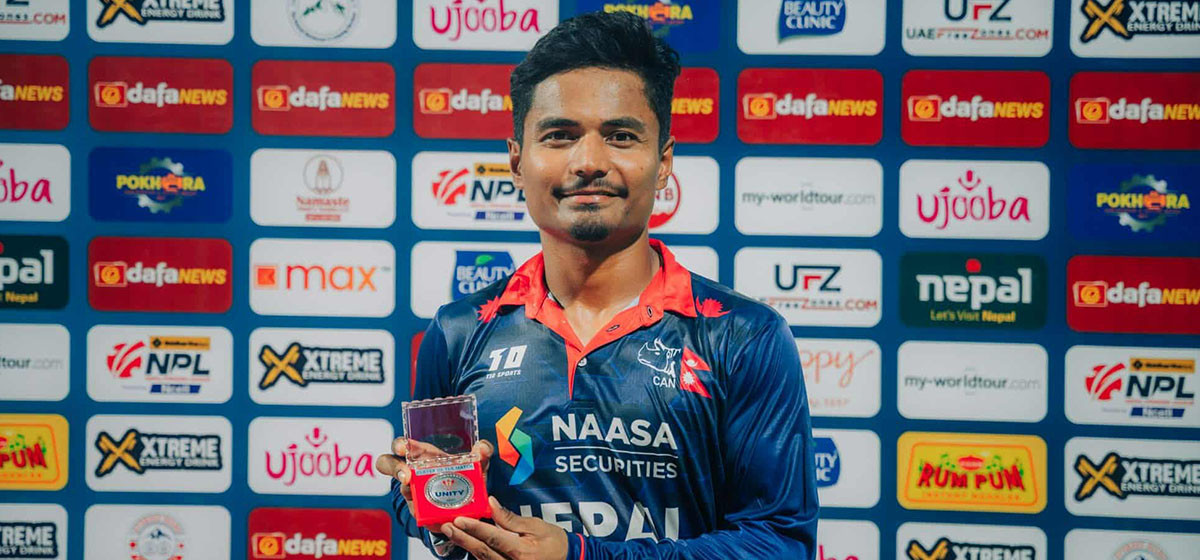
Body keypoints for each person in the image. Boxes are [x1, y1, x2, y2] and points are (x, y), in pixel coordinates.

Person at [377, 11, 818, 560]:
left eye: (620, 136)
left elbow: (780, 543)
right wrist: (438, 509)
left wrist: (582, 555)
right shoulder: (459, 331)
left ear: (663, 161)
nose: (589, 162)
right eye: (559, 136)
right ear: (517, 161)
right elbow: (424, 506)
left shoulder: (743, 337)